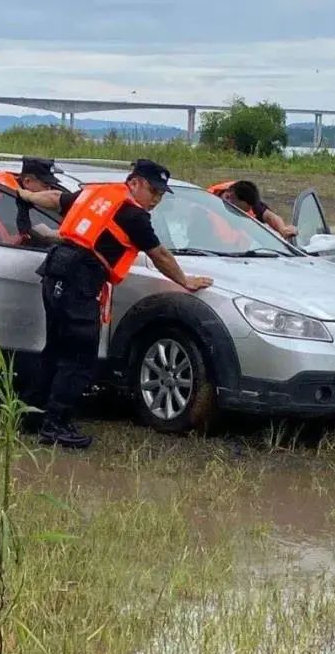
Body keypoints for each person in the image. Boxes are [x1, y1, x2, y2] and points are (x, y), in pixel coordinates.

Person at [16, 159, 214, 449]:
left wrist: (28, 196)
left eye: (161, 194)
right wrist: (185, 281)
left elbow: (57, 198)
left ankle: (31, 417)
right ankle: (55, 425)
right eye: (153, 191)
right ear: (134, 183)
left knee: (56, 350)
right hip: (79, 279)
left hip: (56, 271)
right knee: (80, 359)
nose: (156, 200)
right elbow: (159, 255)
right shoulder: (134, 215)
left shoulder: (98, 194)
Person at [0, 157, 64, 245]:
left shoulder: (10, 186)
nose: (49, 191)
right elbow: (40, 234)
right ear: (27, 181)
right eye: (46, 186)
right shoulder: (9, 200)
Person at [207, 180, 298, 240]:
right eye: (238, 211)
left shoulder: (246, 198)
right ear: (228, 197)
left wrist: (283, 229)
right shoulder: (204, 205)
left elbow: (269, 216)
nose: (243, 215)